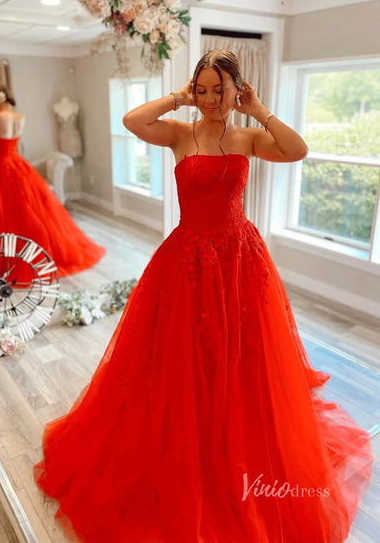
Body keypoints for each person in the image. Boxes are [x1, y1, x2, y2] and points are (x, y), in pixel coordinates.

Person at [33, 51, 373, 542]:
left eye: (220, 89)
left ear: (237, 90)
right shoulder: (179, 133)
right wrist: (179, 97)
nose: (211, 99)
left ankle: (236, 434)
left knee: (242, 353)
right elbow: (133, 120)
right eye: (203, 89)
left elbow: (297, 150)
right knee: (183, 355)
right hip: (188, 259)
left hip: (238, 259)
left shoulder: (247, 137)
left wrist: (259, 111)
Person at [0, 81, 105, 278]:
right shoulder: (19, 117)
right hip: (17, 165)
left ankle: (12, 256)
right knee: (23, 214)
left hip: (0, 167)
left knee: (2, 214)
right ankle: (25, 251)